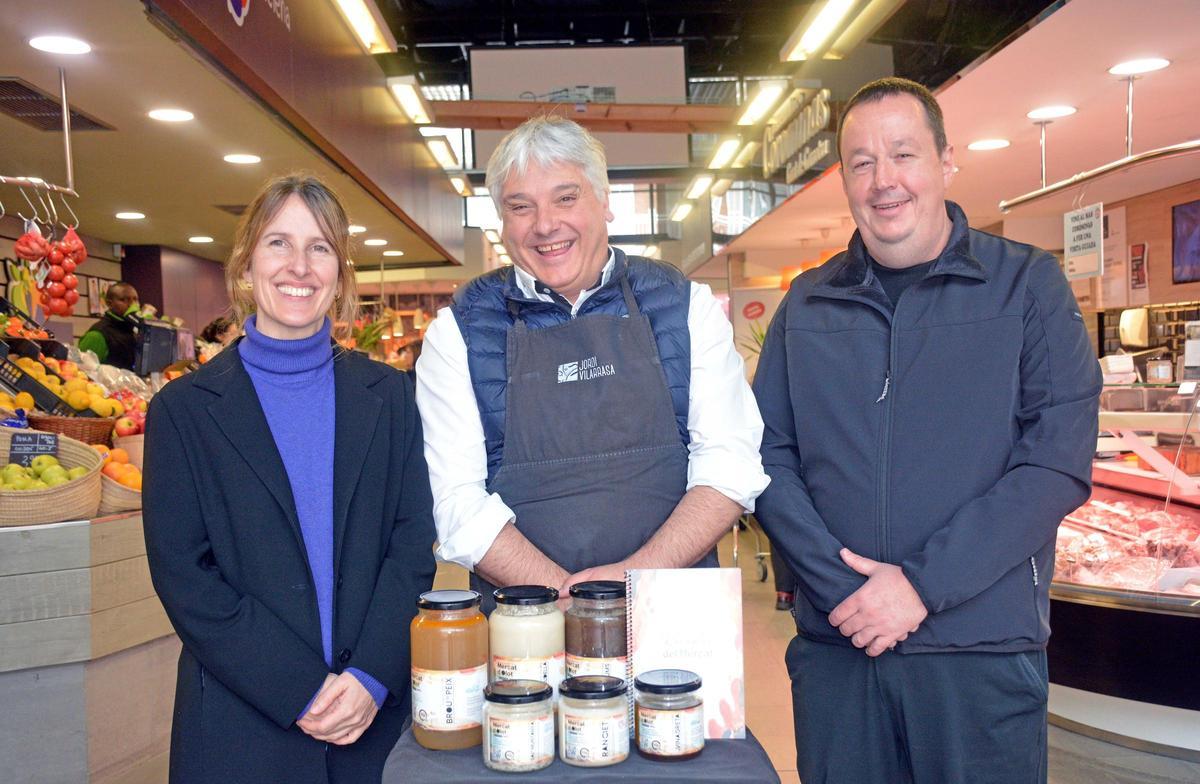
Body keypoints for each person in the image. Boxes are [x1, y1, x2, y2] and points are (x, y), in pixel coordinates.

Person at [752, 77, 1102, 784]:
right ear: (844, 181)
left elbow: (1055, 462)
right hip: (839, 652)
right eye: (861, 162)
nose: (885, 181)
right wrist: (846, 594)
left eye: (904, 154)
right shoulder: (805, 305)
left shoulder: (1027, 287)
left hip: (979, 653)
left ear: (946, 162)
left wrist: (918, 587)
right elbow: (765, 457)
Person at [143, 174, 436, 783]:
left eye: (320, 247)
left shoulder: (389, 397)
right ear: (247, 265)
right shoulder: (185, 410)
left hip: (373, 723)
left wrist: (371, 676)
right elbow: (184, 575)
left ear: (339, 273)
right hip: (241, 723)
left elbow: (411, 548)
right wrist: (299, 689)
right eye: (279, 243)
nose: (299, 265)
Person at [416, 115, 768, 609]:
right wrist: (568, 598)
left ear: (604, 204)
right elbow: (456, 504)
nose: (545, 225)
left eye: (566, 198)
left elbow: (730, 466)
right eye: (521, 207)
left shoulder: (685, 307)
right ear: (502, 221)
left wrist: (635, 579)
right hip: (526, 625)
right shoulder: (457, 333)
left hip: (675, 615)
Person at [78, 281, 140, 369]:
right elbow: (82, 371)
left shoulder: (135, 330)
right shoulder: (97, 334)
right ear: (109, 304)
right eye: (123, 300)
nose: (132, 304)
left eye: (135, 299)